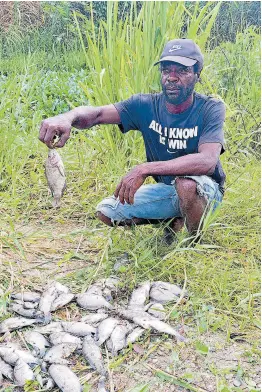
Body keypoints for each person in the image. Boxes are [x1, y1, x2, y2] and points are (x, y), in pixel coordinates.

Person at [39, 38, 226, 243]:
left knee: (186, 186)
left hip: (206, 191)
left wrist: (144, 169)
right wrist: (67, 117)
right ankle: (173, 218)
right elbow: (98, 114)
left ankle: (194, 243)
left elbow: (207, 161)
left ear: (197, 74)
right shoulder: (145, 105)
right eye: (166, 70)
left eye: (182, 71)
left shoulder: (210, 108)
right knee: (107, 212)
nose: (172, 77)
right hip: (168, 190)